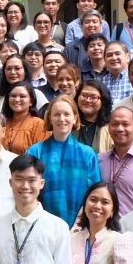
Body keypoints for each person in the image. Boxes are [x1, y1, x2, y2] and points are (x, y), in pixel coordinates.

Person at [25, 95, 99, 225]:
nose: (62, 119)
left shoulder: (87, 154)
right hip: (42, 225)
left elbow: (95, 194)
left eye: (67, 114)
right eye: (56, 114)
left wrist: (78, 223)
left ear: (75, 118)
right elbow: (27, 190)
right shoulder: (35, 152)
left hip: (79, 228)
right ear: (50, 118)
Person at [99, 105, 133, 214]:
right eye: (115, 124)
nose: (120, 129)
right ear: (108, 127)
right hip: (104, 223)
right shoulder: (98, 160)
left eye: (126, 124)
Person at [0, 82, 49, 155]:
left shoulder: (39, 125)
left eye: (22, 96)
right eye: (13, 96)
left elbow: (42, 154)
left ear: (31, 102)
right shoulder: (2, 122)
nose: (17, 99)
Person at [74, 81, 111, 151]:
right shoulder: (70, 122)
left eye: (94, 97)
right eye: (84, 95)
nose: (88, 100)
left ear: (103, 101)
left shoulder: (110, 128)